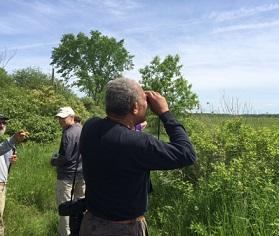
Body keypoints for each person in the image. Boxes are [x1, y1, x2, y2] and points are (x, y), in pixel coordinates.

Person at [79, 78, 196, 236]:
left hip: (90, 223)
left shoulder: (90, 126)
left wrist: (133, 126)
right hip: (123, 229)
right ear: (134, 107)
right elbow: (186, 153)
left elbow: (115, 131)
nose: (147, 104)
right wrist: (165, 113)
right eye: (144, 100)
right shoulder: (138, 144)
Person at [51, 107, 85, 236]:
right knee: (80, 206)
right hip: (81, 175)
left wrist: (53, 161)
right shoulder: (82, 129)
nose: (60, 120)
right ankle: (81, 231)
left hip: (67, 177)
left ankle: (65, 233)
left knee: (65, 208)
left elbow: (65, 158)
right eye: (59, 118)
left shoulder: (68, 134)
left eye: (63, 118)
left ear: (72, 117)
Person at [0, 114, 27, 236]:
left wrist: (11, 160)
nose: (1, 125)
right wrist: (13, 139)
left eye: (3, 122)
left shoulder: (4, 143)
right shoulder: (7, 142)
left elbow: (5, 158)